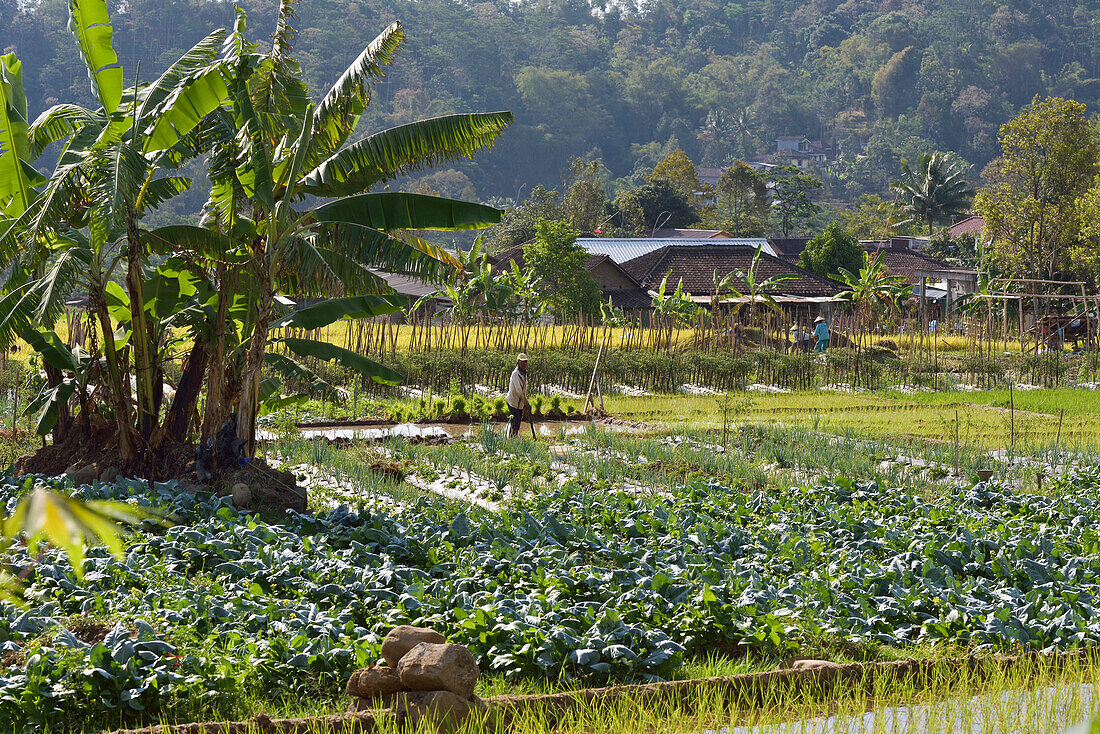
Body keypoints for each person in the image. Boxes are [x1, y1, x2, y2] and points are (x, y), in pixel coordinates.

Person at [506, 353, 530, 437]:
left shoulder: (524, 373)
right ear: (518, 363)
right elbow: (519, 390)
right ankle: (511, 441)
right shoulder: (516, 374)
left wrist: (524, 404)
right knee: (514, 424)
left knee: (517, 424)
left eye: (525, 362)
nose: (524, 364)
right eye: (522, 362)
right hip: (513, 402)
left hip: (519, 403)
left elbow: (523, 390)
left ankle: (513, 440)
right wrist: (526, 403)